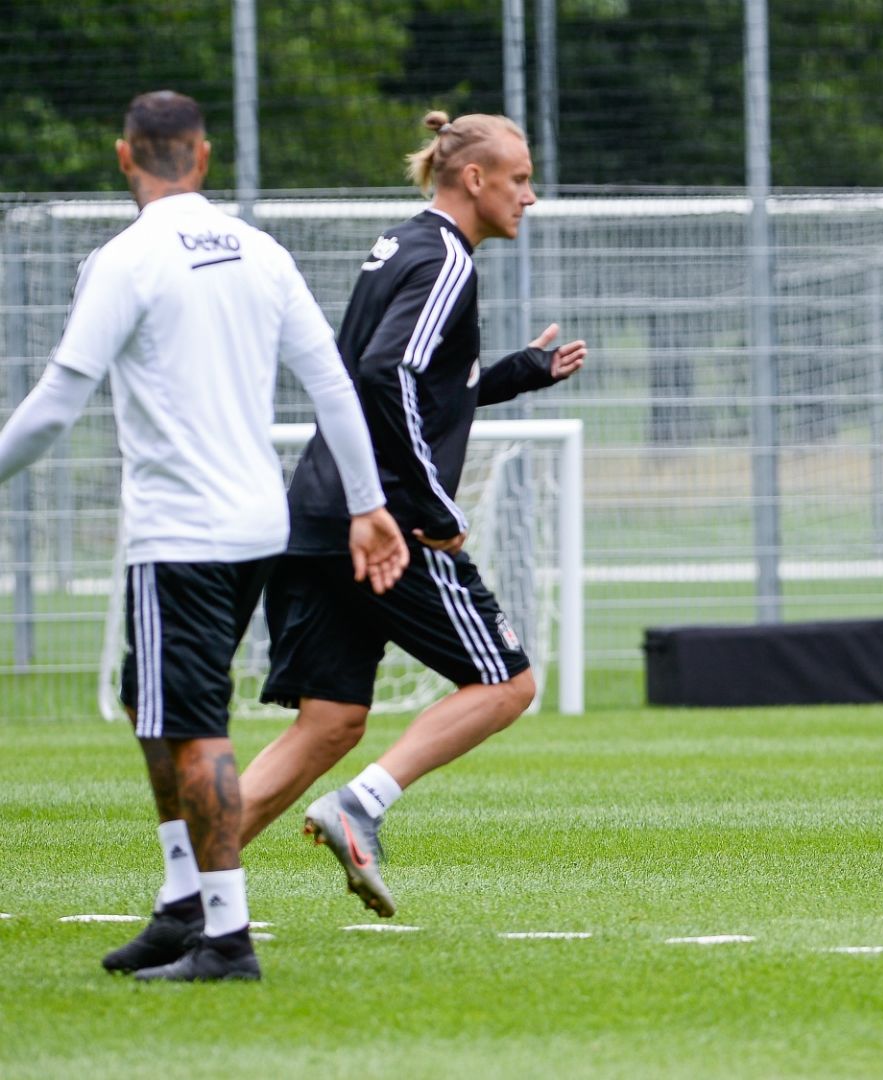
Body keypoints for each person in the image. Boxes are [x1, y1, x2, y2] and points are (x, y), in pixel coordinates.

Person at [0, 91, 406, 980]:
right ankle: (184, 903)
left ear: (124, 156)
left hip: (177, 532)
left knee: (192, 728)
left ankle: (226, 937)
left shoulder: (127, 258)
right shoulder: (260, 252)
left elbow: (57, 403)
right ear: (204, 156)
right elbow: (332, 387)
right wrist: (369, 503)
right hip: (255, 525)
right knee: (157, 710)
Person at [236, 110, 587, 916]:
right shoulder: (444, 261)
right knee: (506, 684)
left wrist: (517, 374)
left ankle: (190, 887)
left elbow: (419, 379)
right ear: (474, 178)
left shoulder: (399, 244)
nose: (530, 196)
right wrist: (430, 507)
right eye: (521, 178)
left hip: (321, 511)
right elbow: (388, 373)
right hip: (385, 521)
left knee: (328, 723)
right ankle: (360, 806)